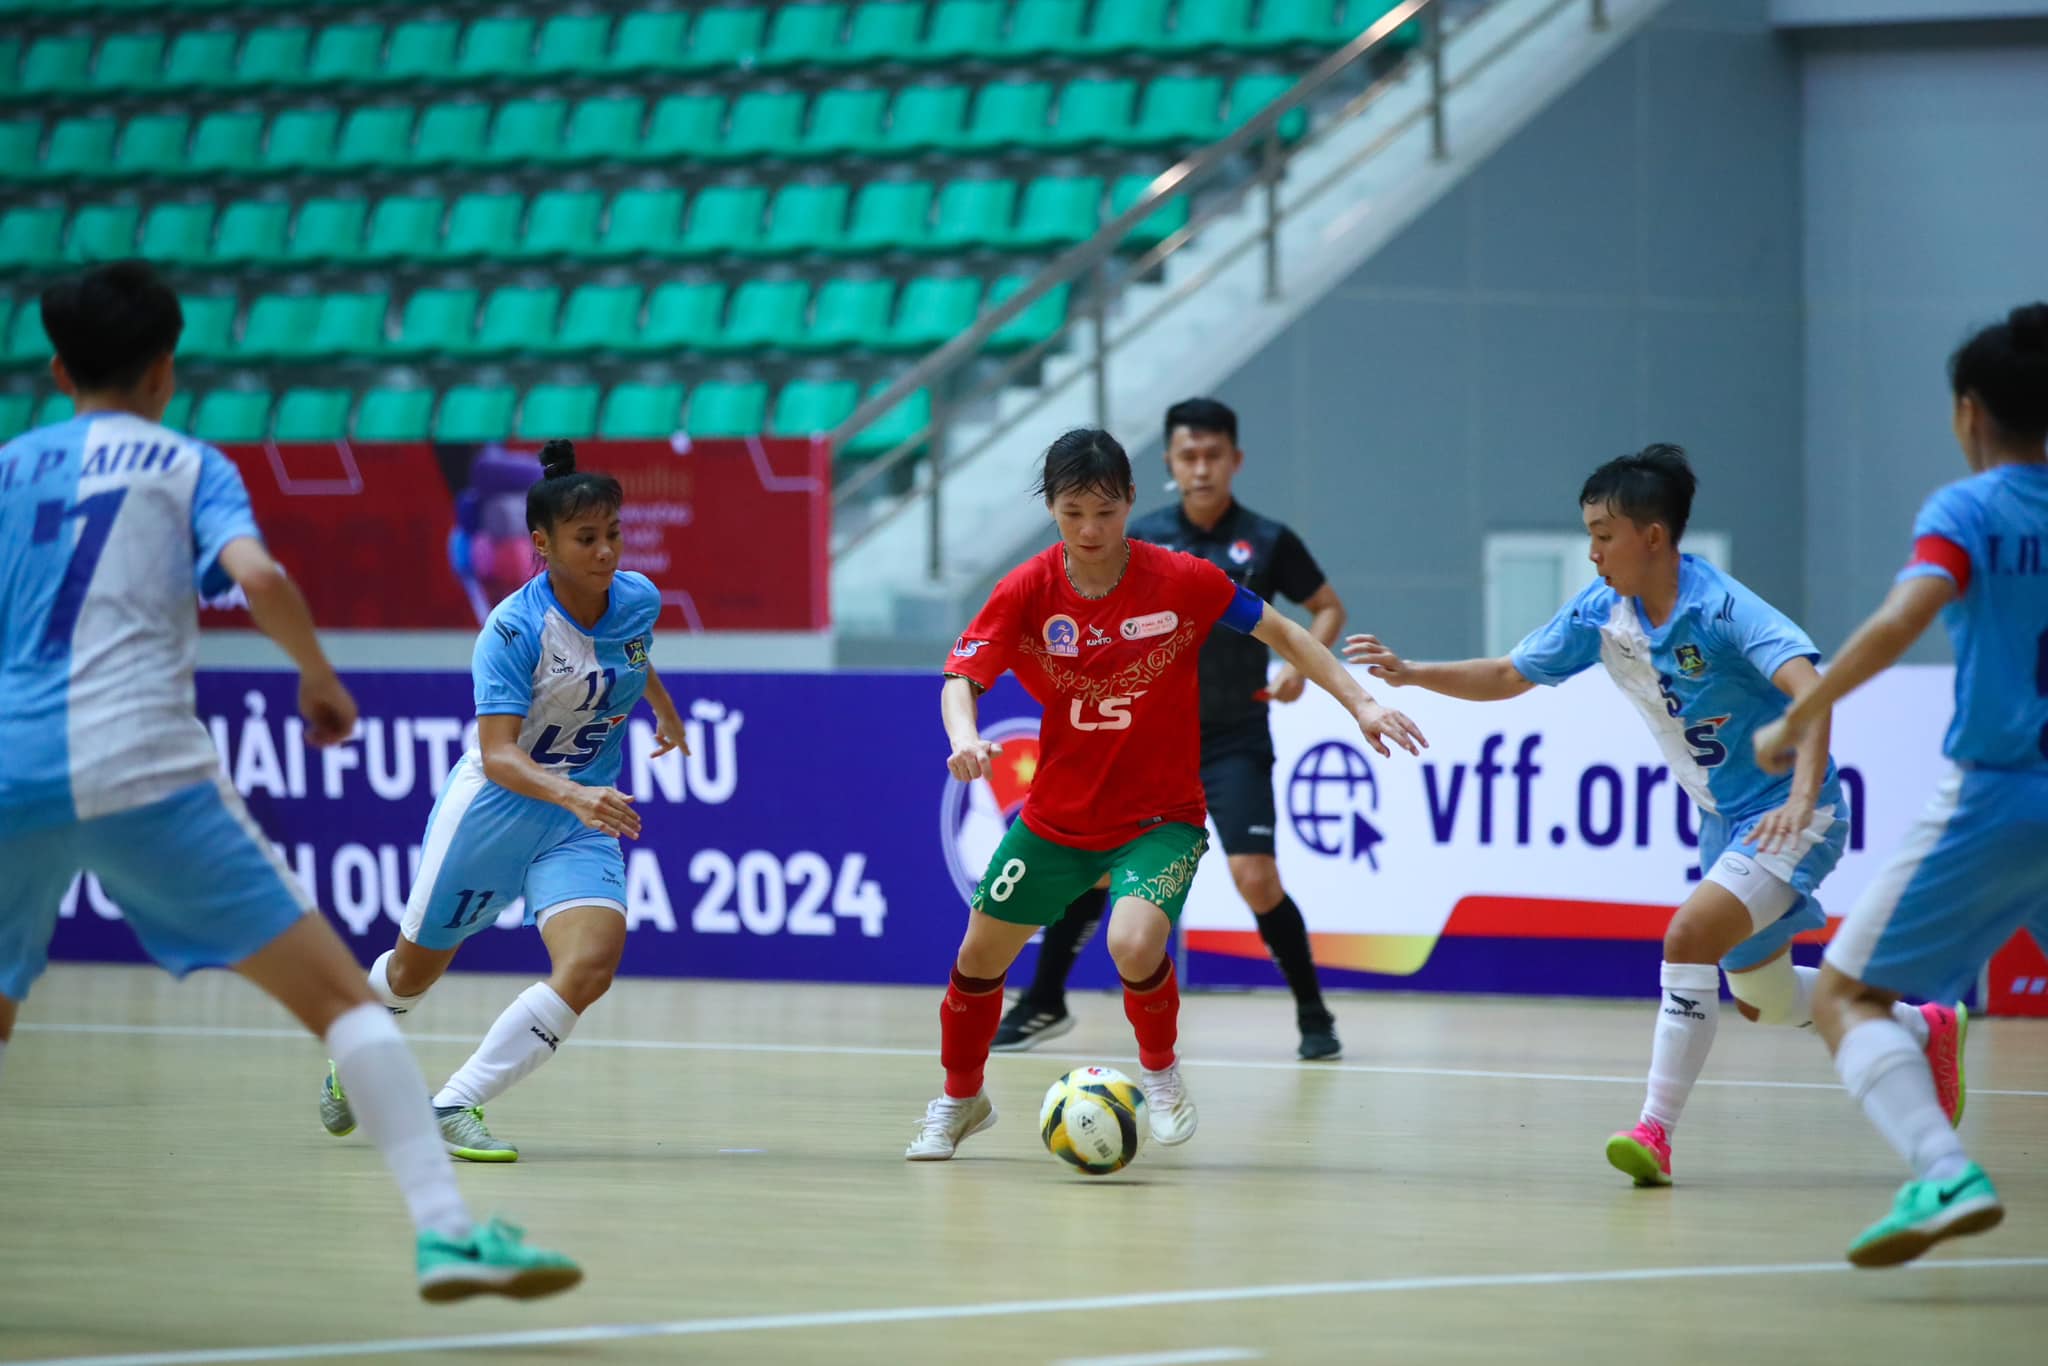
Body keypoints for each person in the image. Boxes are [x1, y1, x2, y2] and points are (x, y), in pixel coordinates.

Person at [0, 261, 578, 1300]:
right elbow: (257, 577)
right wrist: (318, 678)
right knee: (344, 1000)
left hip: (9, 765)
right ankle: (444, 1231)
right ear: (167, 369)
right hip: (142, 765)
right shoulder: (187, 464)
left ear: (54, 369)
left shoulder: (8, 467)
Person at [1345, 443, 1962, 1187]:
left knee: (1686, 936)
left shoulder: (1723, 607)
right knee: (1764, 999)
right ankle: (1917, 1025)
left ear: (1654, 537)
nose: (1594, 552)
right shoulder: (1601, 613)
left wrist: (1801, 797)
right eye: (1589, 536)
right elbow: (1510, 674)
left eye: (1604, 535)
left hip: (1795, 812)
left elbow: (1809, 686)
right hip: (1722, 821)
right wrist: (1412, 673)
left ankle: (1655, 1132)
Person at [907, 428, 1425, 1160]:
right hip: (1057, 819)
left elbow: (1285, 631)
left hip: (1161, 818)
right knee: (977, 958)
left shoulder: (1183, 579)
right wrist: (963, 738)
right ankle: (961, 1099)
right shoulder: (1027, 587)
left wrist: (1361, 703)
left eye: (1106, 512)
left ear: (1132, 502)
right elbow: (962, 675)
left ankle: (1161, 1074)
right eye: (1072, 512)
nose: (1090, 531)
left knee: (1130, 939)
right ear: (1051, 508)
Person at [1753, 302, 2048, 1267]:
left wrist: (1800, 714)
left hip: (2002, 795)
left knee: (1844, 993)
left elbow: (1900, 617)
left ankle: (1941, 1165)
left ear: (1969, 413)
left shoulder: (1967, 510)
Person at [321, 440, 688, 1162]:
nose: (607, 552)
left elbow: (632, 656)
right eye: (587, 539)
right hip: (495, 810)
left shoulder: (639, 599)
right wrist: (575, 793)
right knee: (410, 973)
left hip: (576, 821)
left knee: (591, 963)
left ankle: (456, 1103)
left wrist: (665, 711)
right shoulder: (513, 631)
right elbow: (498, 755)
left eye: (614, 534)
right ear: (542, 546)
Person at [994, 398, 1351, 1061]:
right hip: (1141, 743)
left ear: (1235, 460)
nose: (1202, 467)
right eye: (1188, 455)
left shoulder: (1268, 541)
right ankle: (1045, 1000)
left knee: (1255, 876)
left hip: (1234, 736)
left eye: (1214, 454)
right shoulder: (1135, 536)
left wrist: (1300, 670)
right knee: (1093, 867)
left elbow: (1324, 609)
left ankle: (1313, 1014)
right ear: (1167, 464)